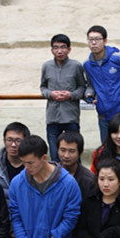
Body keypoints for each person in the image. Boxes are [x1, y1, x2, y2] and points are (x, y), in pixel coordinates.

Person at [40, 34, 86, 162]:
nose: (59, 51)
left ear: (69, 49)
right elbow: (43, 87)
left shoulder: (76, 66)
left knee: (74, 155)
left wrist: (71, 95)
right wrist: (51, 94)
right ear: (52, 50)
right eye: (56, 47)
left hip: (71, 116)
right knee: (55, 156)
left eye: (63, 47)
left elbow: (82, 87)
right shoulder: (46, 66)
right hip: (52, 117)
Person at [57, 131, 96, 200]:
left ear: (80, 153)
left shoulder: (89, 180)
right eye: (63, 150)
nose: (66, 155)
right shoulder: (49, 174)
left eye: (71, 151)